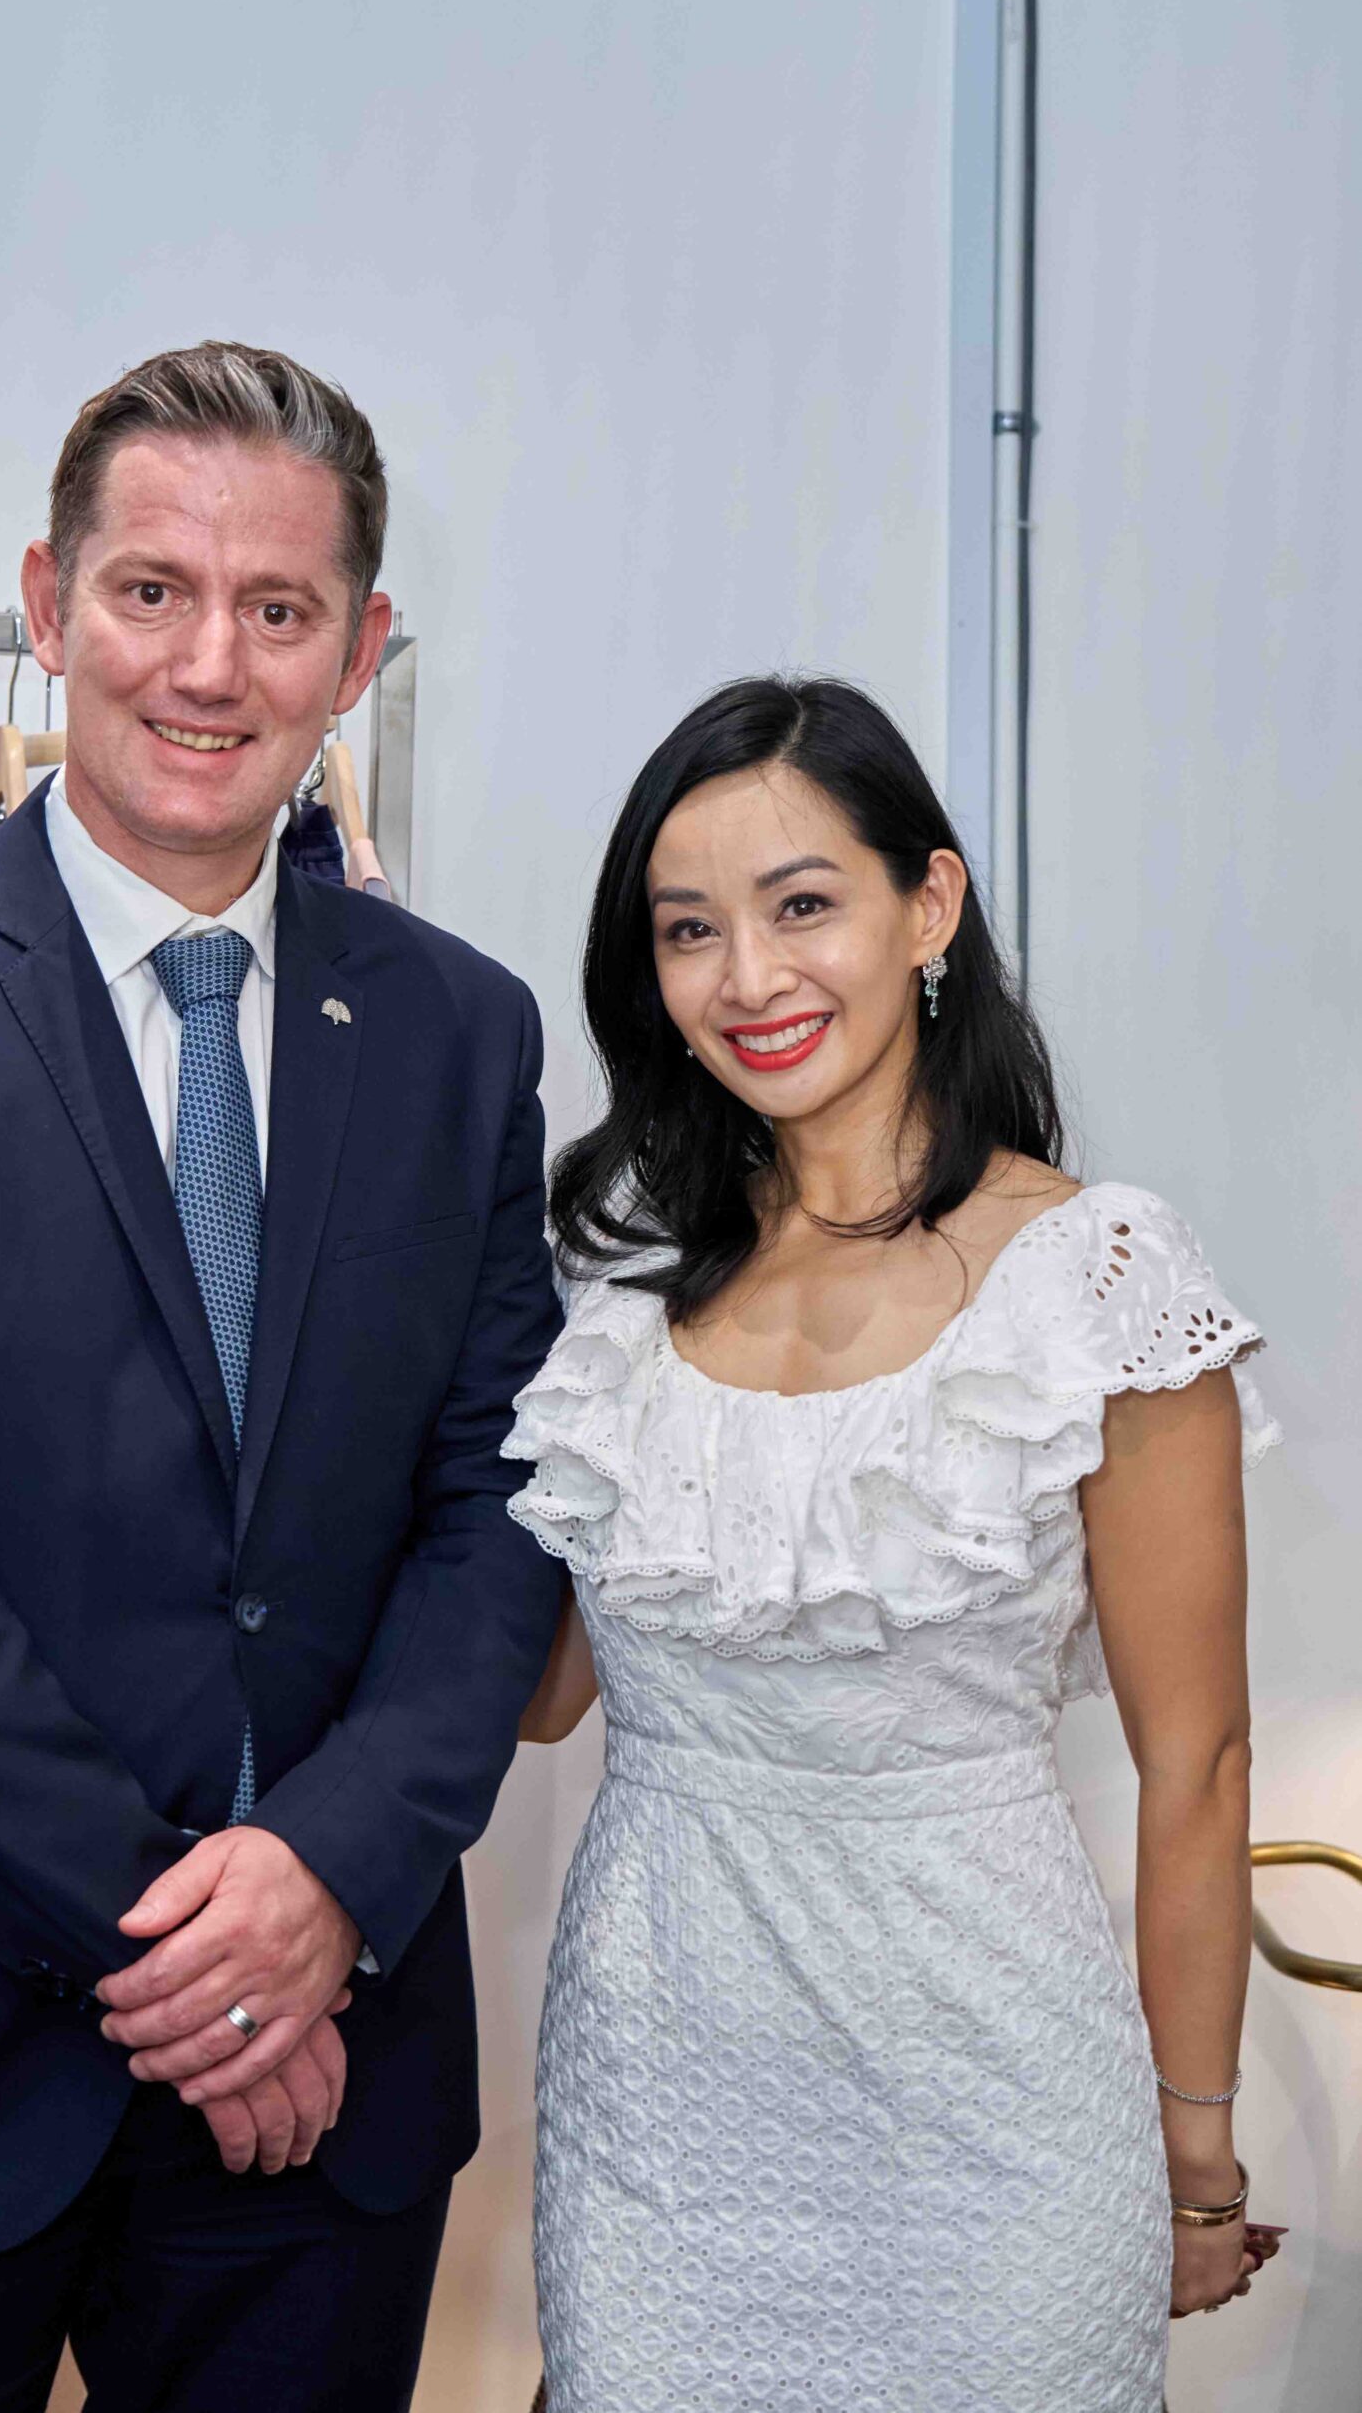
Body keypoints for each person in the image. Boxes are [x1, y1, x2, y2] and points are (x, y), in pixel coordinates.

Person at [0, 340, 565, 2412]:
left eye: (280, 608)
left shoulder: (462, 1033)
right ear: (49, 602)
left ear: (361, 651)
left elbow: (505, 1497)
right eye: (152, 589)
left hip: (320, 2107)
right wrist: (201, 1954)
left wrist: (328, 1879)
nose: (209, 664)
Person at [508, 675, 1283, 2412]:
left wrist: (1197, 2155)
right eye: (689, 930)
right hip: (658, 2125)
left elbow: (1201, 1764)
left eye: (803, 906)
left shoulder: (1100, 1277)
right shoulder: (623, 1300)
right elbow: (544, 1698)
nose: (748, 978)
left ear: (929, 907)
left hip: (998, 2121)